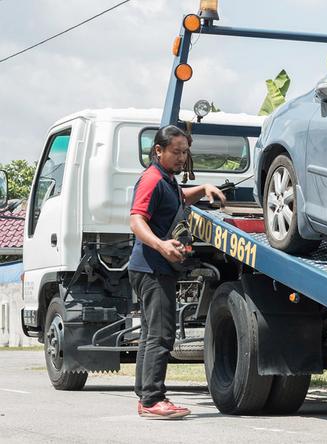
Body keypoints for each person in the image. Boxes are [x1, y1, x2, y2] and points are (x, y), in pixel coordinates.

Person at [128, 125, 226, 419]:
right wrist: (160, 245)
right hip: (152, 267)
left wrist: (203, 188)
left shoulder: (167, 179)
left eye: (185, 152)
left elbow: (180, 198)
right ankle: (153, 399)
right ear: (159, 150)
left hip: (153, 267)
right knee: (161, 334)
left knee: (149, 334)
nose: (182, 157)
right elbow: (136, 220)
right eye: (176, 152)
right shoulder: (151, 180)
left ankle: (145, 396)